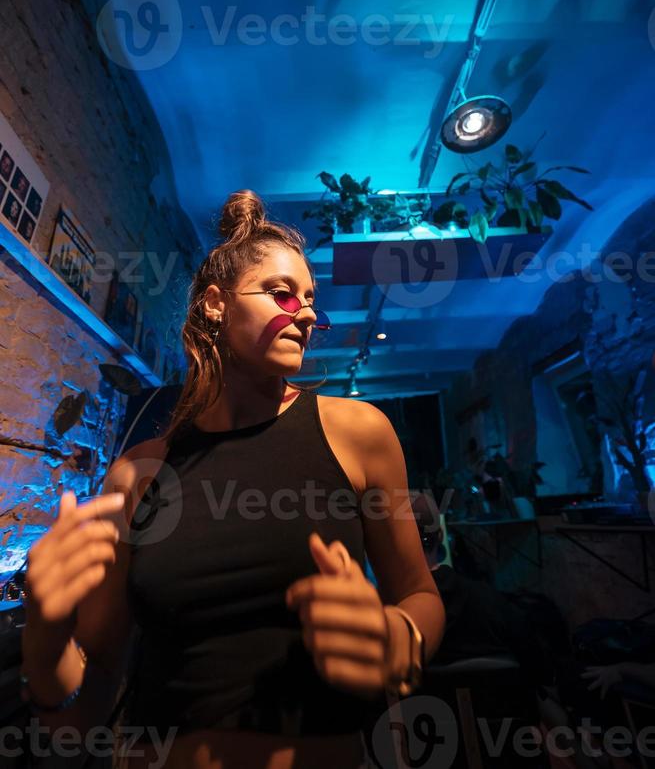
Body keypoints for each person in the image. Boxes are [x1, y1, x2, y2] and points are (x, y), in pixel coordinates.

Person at [21, 189, 445, 769]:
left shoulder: (357, 433)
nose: (309, 313)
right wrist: (44, 646)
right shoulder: (136, 473)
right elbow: (86, 710)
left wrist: (401, 638)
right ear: (217, 304)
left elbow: (419, 594)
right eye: (282, 293)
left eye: (311, 299)